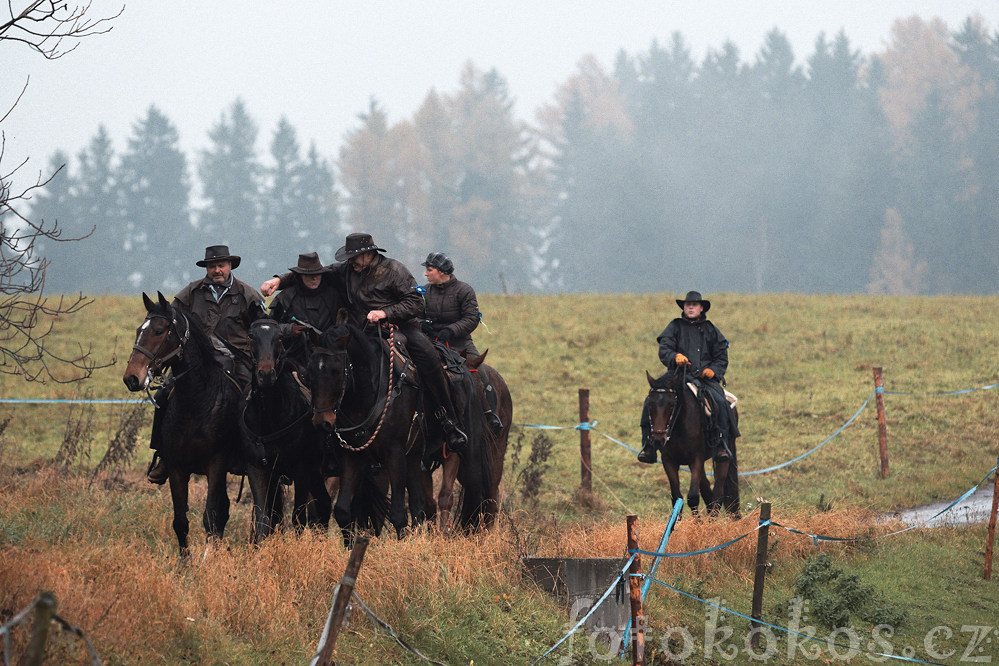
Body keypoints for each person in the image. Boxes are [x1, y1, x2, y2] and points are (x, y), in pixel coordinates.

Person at [261, 233, 468, 455]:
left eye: (354, 257)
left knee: (429, 357)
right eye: (348, 258)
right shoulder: (348, 269)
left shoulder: (394, 271)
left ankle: (448, 419)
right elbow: (318, 272)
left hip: (400, 327)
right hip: (358, 331)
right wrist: (279, 281)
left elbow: (416, 302)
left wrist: (385, 312)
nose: (350, 262)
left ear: (368, 254)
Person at [146, 244, 263, 484]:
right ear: (207, 268)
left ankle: (252, 454)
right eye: (212, 266)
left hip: (237, 359)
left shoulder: (247, 294)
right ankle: (164, 456)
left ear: (230, 266)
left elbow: (262, 328)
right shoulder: (190, 293)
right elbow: (171, 321)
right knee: (163, 396)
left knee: (250, 399)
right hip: (197, 361)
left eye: (221, 265)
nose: (217, 270)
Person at [638, 290, 739, 464]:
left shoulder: (711, 329)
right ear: (683, 307)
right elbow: (664, 349)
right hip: (676, 376)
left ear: (701, 308)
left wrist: (714, 371)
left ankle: (722, 443)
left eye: (694, 305)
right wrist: (674, 357)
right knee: (651, 400)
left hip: (705, 379)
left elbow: (721, 355)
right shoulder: (674, 326)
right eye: (687, 305)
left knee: (721, 403)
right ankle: (648, 445)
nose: (690, 308)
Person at [420, 251, 503, 434]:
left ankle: (489, 415)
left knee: (481, 375)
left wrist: (450, 331)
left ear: (442, 271)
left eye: (429, 270)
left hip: (460, 345)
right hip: (431, 345)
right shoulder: (423, 292)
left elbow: (471, 318)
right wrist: (420, 324)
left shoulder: (464, 290)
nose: (426, 274)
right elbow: (415, 314)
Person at [268, 251, 343, 365]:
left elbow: (346, 323)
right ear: (300, 275)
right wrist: (289, 330)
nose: (314, 278)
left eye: (317, 274)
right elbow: (268, 328)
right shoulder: (285, 297)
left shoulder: (334, 295)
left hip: (330, 356)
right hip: (293, 357)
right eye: (309, 275)